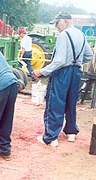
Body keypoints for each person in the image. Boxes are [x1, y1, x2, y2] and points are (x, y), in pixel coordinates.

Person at [33, 11, 93, 147]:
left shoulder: (63, 35)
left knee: (56, 103)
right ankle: (71, 132)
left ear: (65, 21)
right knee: (71, 102)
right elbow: (89, 55)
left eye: (57, 23)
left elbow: (59, 61)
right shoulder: (81, 35)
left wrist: (41, 71)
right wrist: (76, 61)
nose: (56, 26)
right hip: (76, 73)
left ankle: (50, 137)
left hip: (62, 73)